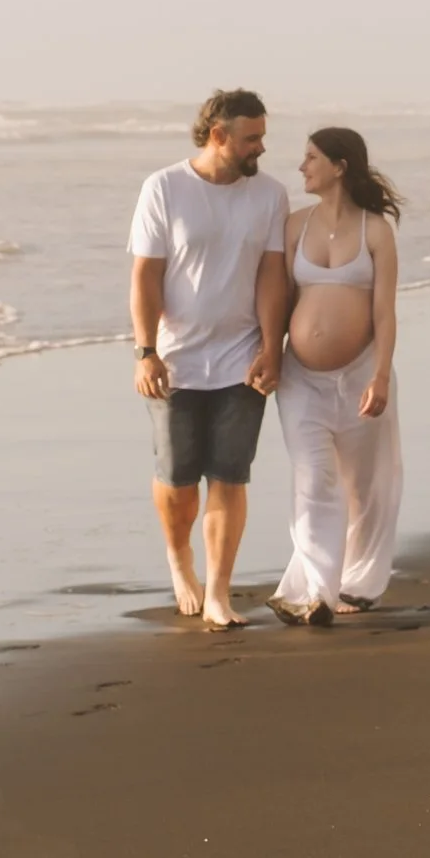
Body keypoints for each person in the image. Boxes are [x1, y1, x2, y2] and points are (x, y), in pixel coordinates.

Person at [129, 89, 291, 630]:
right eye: (251, 138)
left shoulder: (269, 195)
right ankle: (181, 561)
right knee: (177, 480)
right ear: (218, 135)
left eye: (262, 136)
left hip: (241, 358)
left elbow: (272, 276)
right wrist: (146, 352)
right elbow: (146, 276)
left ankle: (219, 591)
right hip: (175, 359)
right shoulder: (164, 187)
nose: (261, 147)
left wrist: (271, 347)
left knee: (229, 475)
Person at [268, 127, 404, 626]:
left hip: (362, 372)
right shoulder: (294, 226)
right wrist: (268, 353)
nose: (302, 167)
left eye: (311, 158)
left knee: (367, 484)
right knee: (313, 479)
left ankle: (359, 583)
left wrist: (381, 376)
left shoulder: (375, 231)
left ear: (339, 166)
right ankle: (315, 592)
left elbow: (384, 313)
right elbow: (279, 300)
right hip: (300, 379)